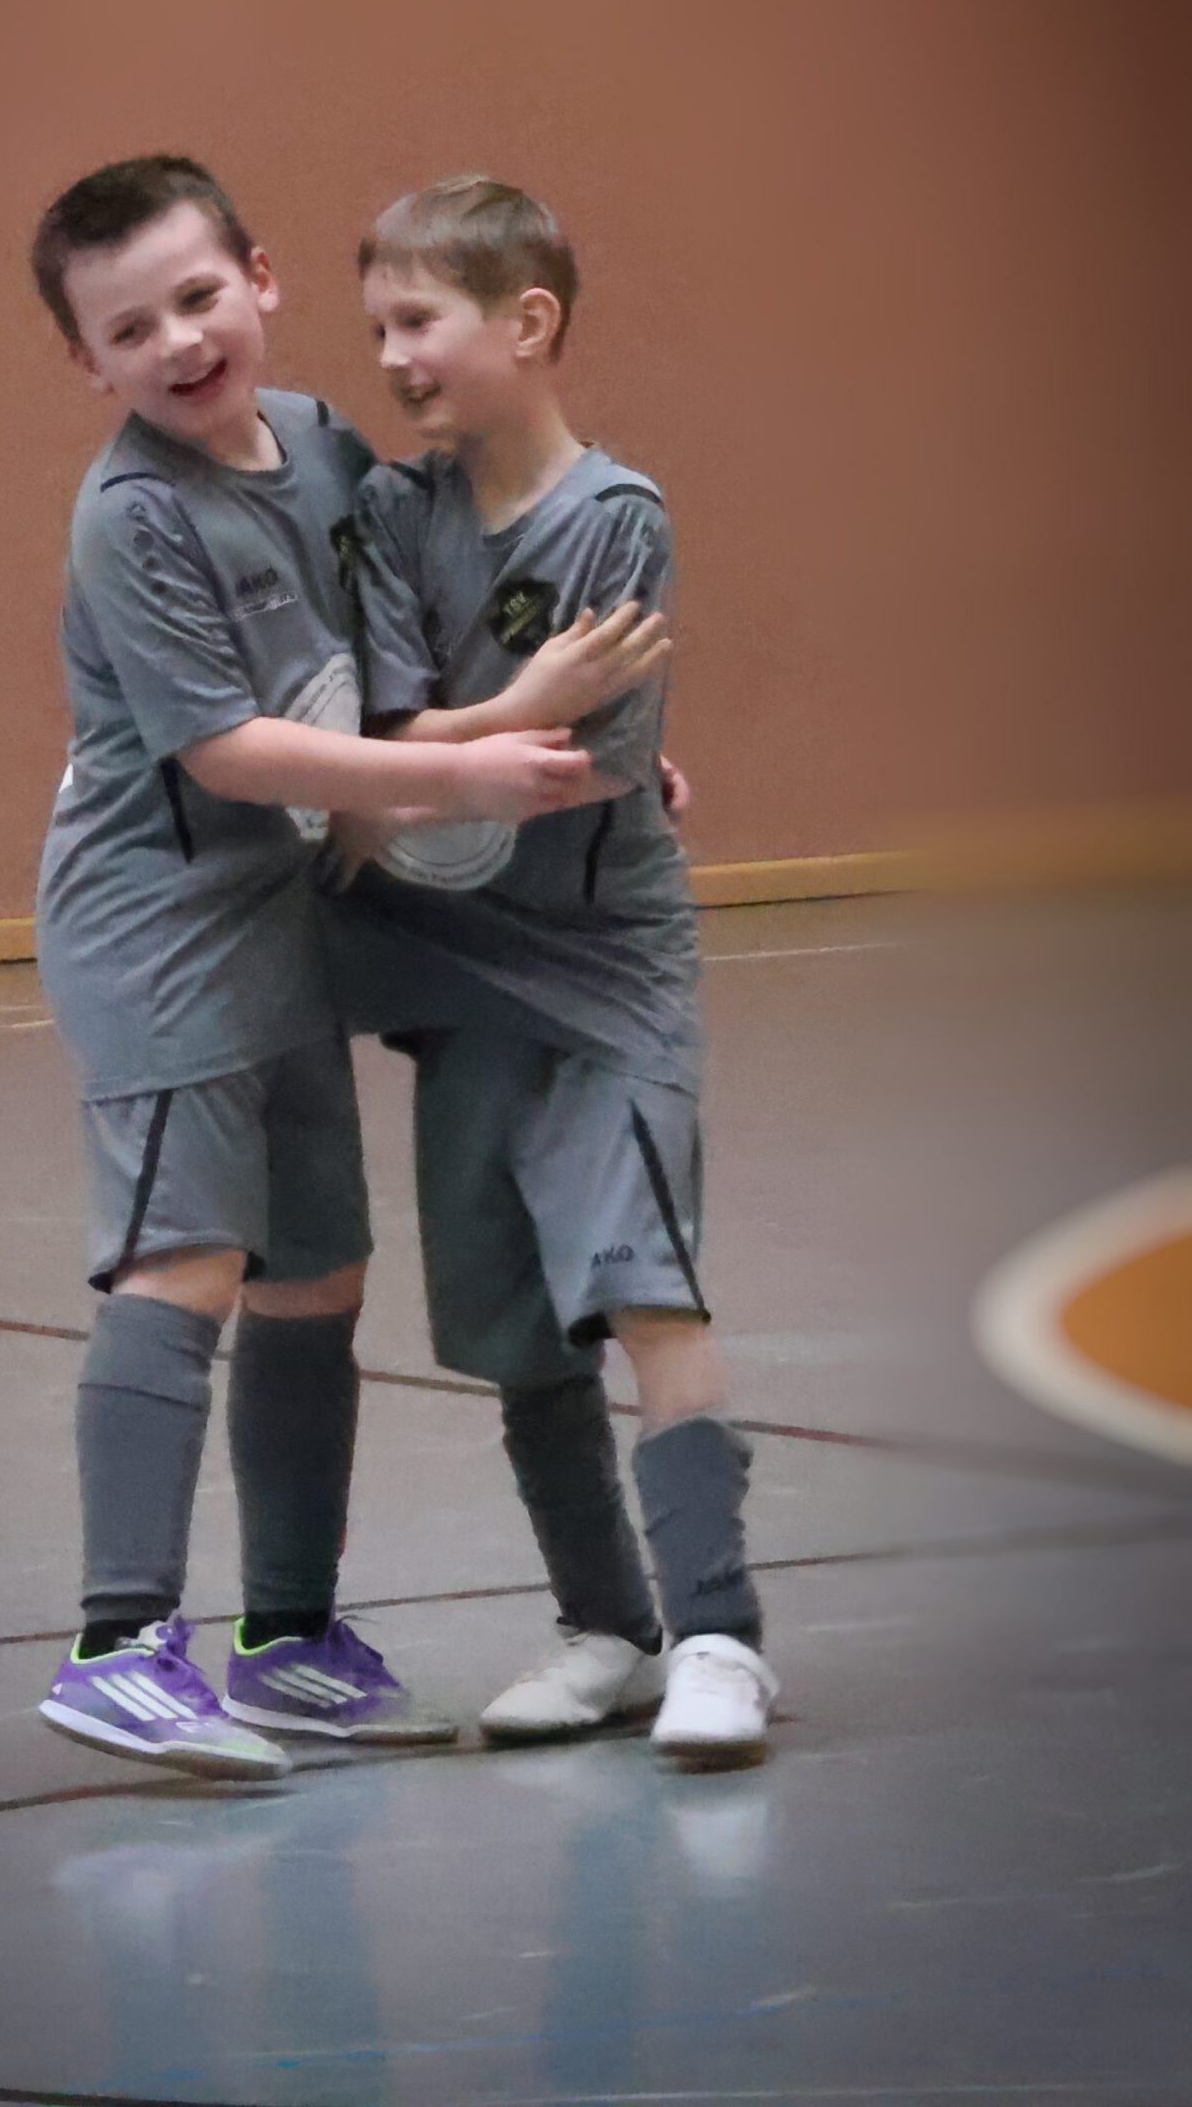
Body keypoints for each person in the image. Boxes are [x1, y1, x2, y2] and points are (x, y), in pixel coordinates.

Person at [26, 155, 666, 1779]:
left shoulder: (321, 444)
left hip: (289, 924)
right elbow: (236, 753)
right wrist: (473, 767)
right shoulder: (133, 518)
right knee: (185, 1259)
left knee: (314, 1274)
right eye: (129, 329)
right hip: (161, 937)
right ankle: (116, 1644)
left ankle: (287, 1636)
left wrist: (590, 756)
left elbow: (406, 657)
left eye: (196, 297)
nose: (179, 341)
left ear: (259, 279)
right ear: (86, 362)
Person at [336, 174, 778, 1766]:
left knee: (645, 1285)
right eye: (377, 329)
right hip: (457, 973)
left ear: (529, 323)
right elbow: (391, 741)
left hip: (601, 970)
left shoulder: (616, 518)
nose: (394, 357)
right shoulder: (394, 515)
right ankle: (610, 1630)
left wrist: (449, 760)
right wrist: (496, 715)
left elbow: (577, 767)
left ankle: (718, 1635)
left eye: (420, 321)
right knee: (516, 1328)